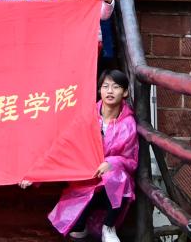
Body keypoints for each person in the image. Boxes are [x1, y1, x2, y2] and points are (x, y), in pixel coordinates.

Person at [42, 70, 137, 242]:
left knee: (118, 177)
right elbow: (64, 146)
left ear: (125, 92)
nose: (109, 91)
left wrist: (112, 162)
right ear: (99, 90)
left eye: (116, 87)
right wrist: (36, 175)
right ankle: (82, 224)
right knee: (75, 229)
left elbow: (131, 161)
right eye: (105, 86)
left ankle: (109, 227)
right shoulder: (87, 117)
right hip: (86, 181)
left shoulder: (128, 124)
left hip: (112, 185)